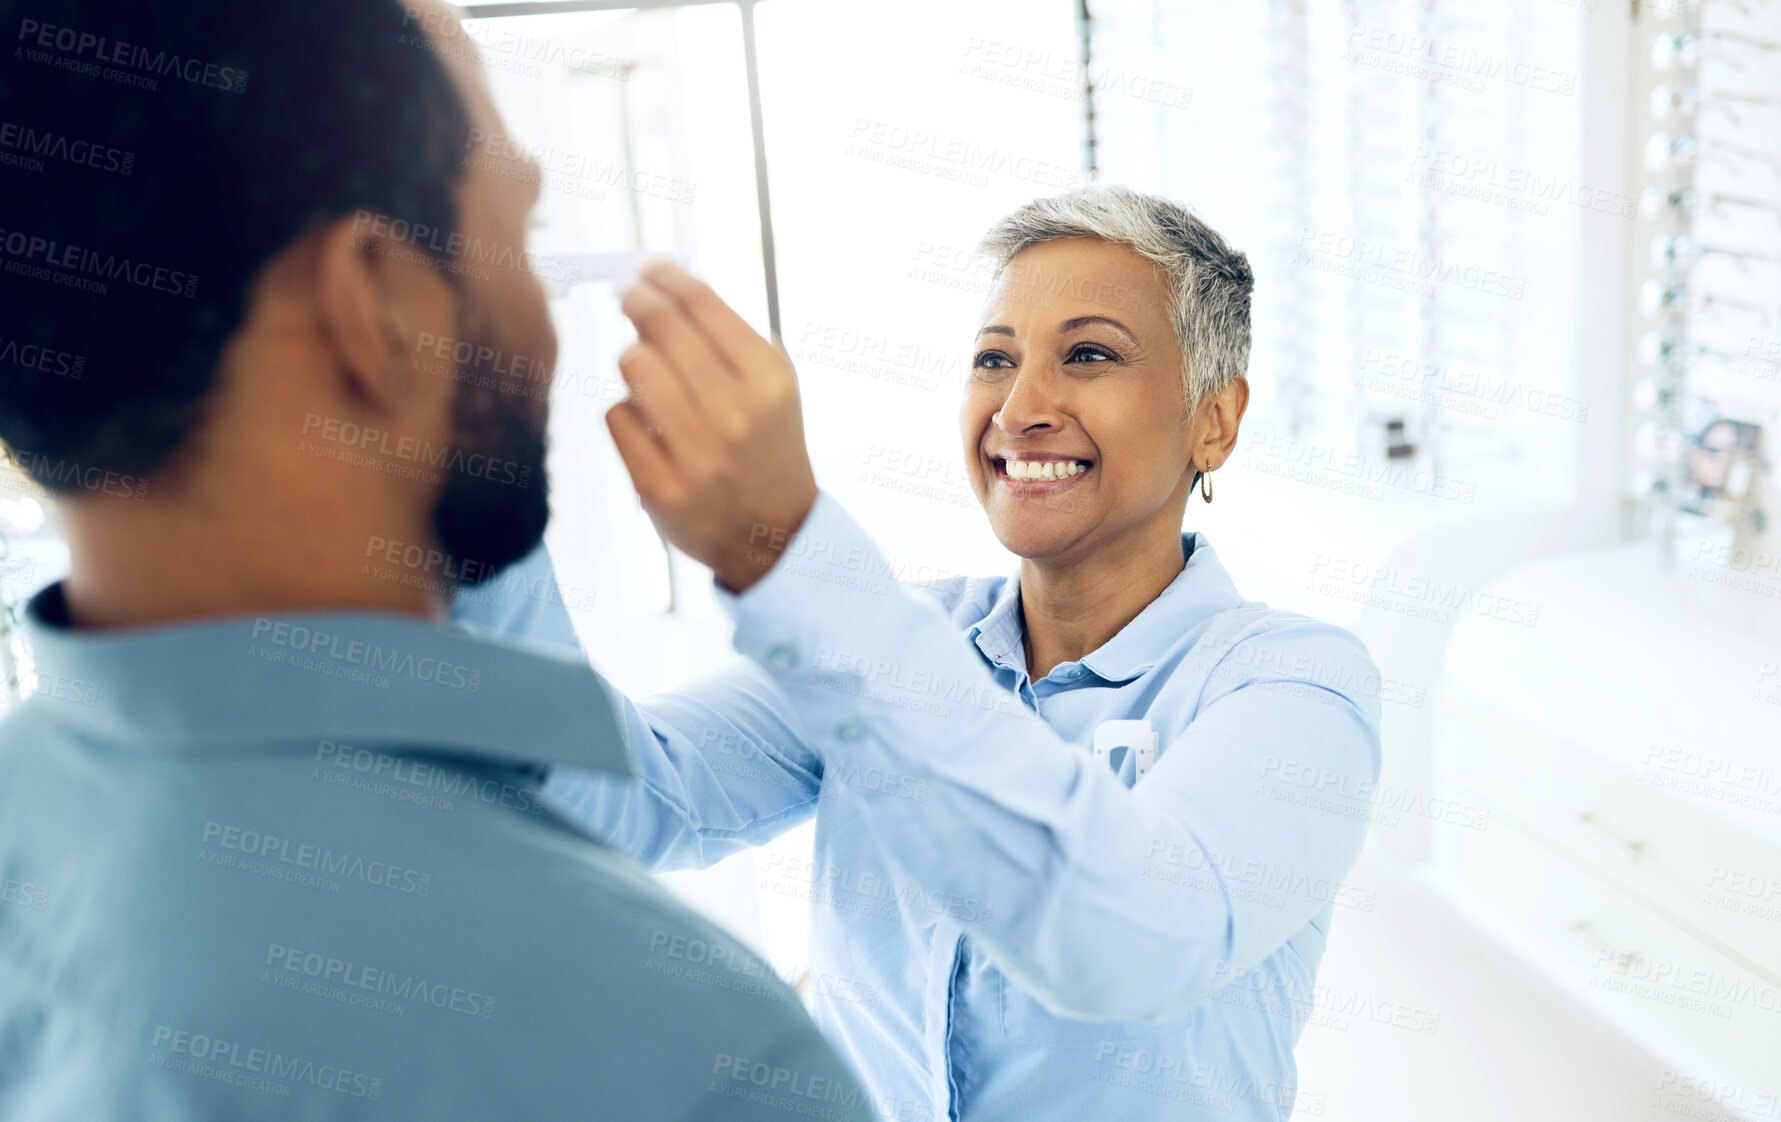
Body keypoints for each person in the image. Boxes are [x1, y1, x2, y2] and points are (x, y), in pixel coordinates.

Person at [0, 2, 870, 1119]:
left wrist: (885, 655)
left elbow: (643, 781)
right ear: (379, 308)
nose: (548, 325)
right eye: (518, 233)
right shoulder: (677, 1049)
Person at [467, 188, 1385, 1121]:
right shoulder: (904, 641)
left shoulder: (1293, 687)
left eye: (1090, 355)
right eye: (994, 359)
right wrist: (472, 504)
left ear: (1213, 421)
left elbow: (1129, 937)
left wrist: (787, 550)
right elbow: (621, 799)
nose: (1021, 407)